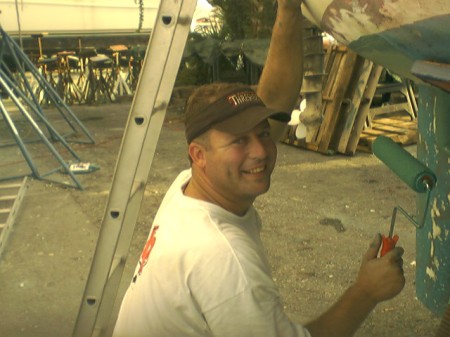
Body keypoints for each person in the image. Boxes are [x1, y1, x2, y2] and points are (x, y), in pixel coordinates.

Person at [112, 1, 405, 336]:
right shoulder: (223, 258)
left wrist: (288, 10)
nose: (261, 151)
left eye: (263, 133)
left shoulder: (187, 188)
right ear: (199, 154)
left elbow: (276, 101)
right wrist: (365, 292)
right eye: (239, 141)